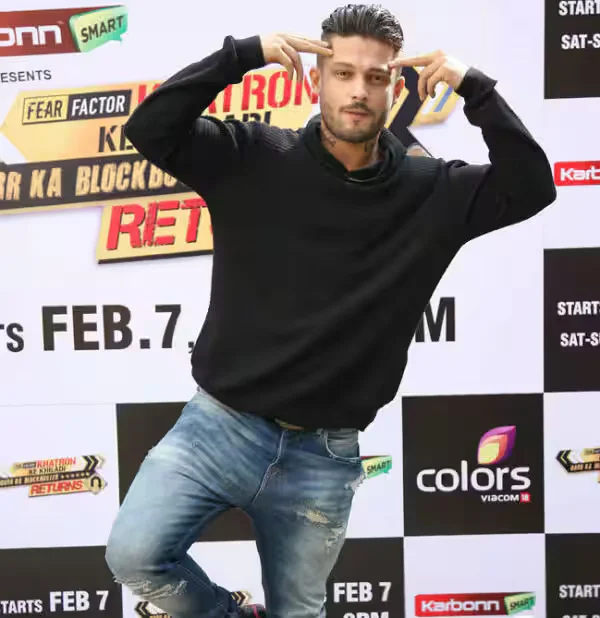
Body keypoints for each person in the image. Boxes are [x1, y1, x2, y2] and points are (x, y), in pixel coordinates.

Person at [105, 4, 557, 618]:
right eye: (343, 73)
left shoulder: (432, 190)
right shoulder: (252, 154)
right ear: (317, 78)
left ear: (395, 88)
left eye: (376, 77)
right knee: (135, 555)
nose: (358, 91)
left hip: (323, 456)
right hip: (217, 427)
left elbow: (532, 186)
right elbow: (150, 128)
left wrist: (474, 86)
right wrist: (240, 55)